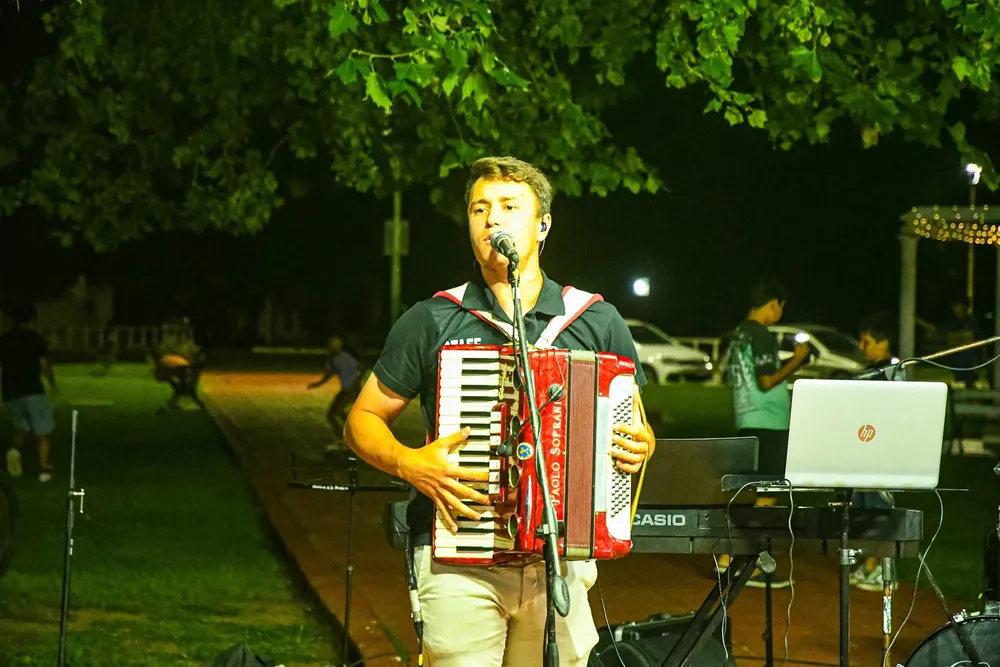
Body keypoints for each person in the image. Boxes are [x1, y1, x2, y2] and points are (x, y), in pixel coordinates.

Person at [343, 156, 654, 667]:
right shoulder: (432, 319)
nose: (492, 220)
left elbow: (639, 428)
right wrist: (408, 463)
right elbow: (362, 422)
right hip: (460, 558)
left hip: (561, 560)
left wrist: (641, 445)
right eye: (479, 209)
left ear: (543, 225)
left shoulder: (597, 321)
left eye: (510, 207)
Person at [720, 280, 810, 587]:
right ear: (774, 304)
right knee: (768, 493)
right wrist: (797, 361)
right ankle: (751, 562)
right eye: (779, 309)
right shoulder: (761, 334)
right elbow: (767, 381)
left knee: (749, 491)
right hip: (769, 421)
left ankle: (727, 558)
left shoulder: (739, 333)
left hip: (746, 418)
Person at [849, 312, 901, 591]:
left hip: (883, 456)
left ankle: (884, 570)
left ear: (884, 343)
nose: (862, 347)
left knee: (882, 513)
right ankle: (869, 564)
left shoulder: (892, 372)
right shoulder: (867, 373)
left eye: (867, 341)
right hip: (864, 452)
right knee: (864, 513)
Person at [1, 304, 58, 482]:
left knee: (21, 426)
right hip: (32, 388)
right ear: (32, 320)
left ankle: (15, 451)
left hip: (10, 390)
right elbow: (44, 365)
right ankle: (44, 468)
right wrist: (52, 384)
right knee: (43, 430)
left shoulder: (4, 339)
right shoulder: (35, 339)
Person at [308, 335, 360, 440]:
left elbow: (359, 370)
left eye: (334, 343)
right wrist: (317, 384)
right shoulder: (337, 357)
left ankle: (348, 436)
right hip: (348, 390)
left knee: (334, 413)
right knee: (335, 413)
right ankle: (350, 435)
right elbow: (330, 373)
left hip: (351, 390)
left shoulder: (343, 357)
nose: (332, 345)